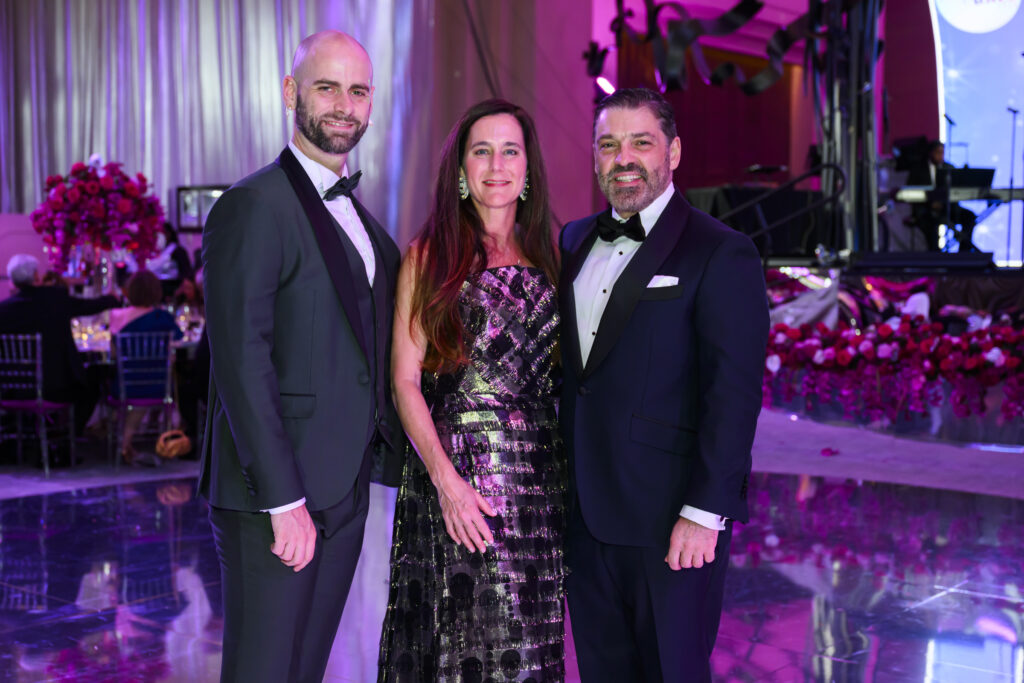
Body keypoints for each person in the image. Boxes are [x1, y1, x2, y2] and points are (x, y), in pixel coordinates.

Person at [199, 30, 402, 683]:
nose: (344, 104)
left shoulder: (372, 230)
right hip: (274, 496)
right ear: (292, 93)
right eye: (327, 86)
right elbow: (239, 356)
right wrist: (283, 499)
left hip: (343, 492)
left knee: (304, 671)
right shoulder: (253, 204)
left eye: (358, 90)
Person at [558, 88, 769, 682]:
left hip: (670, 523)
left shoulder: (721, 252)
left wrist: (705, 512)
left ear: (673, 152)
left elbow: (733, 393)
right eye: (609, 144)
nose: (623, 157)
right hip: (585, 517)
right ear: (596, 158)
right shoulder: (573, 241)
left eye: (641, 142)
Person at [378, 99, 565, 681]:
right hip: (463, 480)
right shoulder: (430, 254)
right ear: (460, 170)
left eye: (511, 150)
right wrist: (447, 483)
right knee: (470, 645)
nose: (496, 164)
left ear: (528, 169)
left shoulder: (550, 258)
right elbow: (404, 382)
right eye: (480, 151)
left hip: (540, 487)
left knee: (531, 646)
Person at [0, 254, 120, 436]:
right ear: (36, 277)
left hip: (12, 389)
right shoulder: (55, 298)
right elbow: (87, 306)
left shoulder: (4, 310)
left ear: (13, 282)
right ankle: (65, 437)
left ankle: (30, 436)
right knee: (91, 384)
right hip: (55, 386)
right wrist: (112, 299)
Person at [108, 269, 184, 464]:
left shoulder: (116, 316)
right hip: (155, 384)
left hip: (125, 384)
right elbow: (178, 342)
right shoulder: (162, 318)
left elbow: (114, 355)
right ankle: (128, 445)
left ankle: (123, 443)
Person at [906, 140, 977, 252]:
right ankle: (936, 258)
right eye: (937, 152)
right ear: (931, 153)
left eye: (942, 152)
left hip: (947, 208)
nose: (940, 156)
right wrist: (930, 203)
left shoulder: (949, 168)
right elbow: (910, 191)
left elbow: (956, 190)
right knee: (931, 227)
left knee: (969, 217)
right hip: (926, 210)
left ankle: (964, 253)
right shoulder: (918, 169)